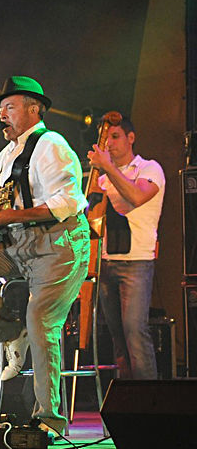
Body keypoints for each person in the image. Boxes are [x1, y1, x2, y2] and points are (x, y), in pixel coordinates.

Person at [0, 76, 90, 435]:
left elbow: (68, 202)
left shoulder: (51, 144)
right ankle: (11, 333)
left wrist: (14, 216)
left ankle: (49, 419)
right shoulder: (7, 153)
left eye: (9, 107)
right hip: (19, 247)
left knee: (41, 320)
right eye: (1, 108)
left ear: (34, 109)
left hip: (58, 246)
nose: (1, 115)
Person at [87, 115, 164, 379]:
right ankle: (126, 396)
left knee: (134, 331)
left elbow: (136, 196)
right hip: (106, 261)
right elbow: (90, 218)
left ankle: (148, 399)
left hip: (136, 261)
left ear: (131, 138)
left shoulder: (149, 168)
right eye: (105, 138)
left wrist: (108, 168)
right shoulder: (103, 177)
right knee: (117, 337)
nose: (109, 143)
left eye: (115, 136)